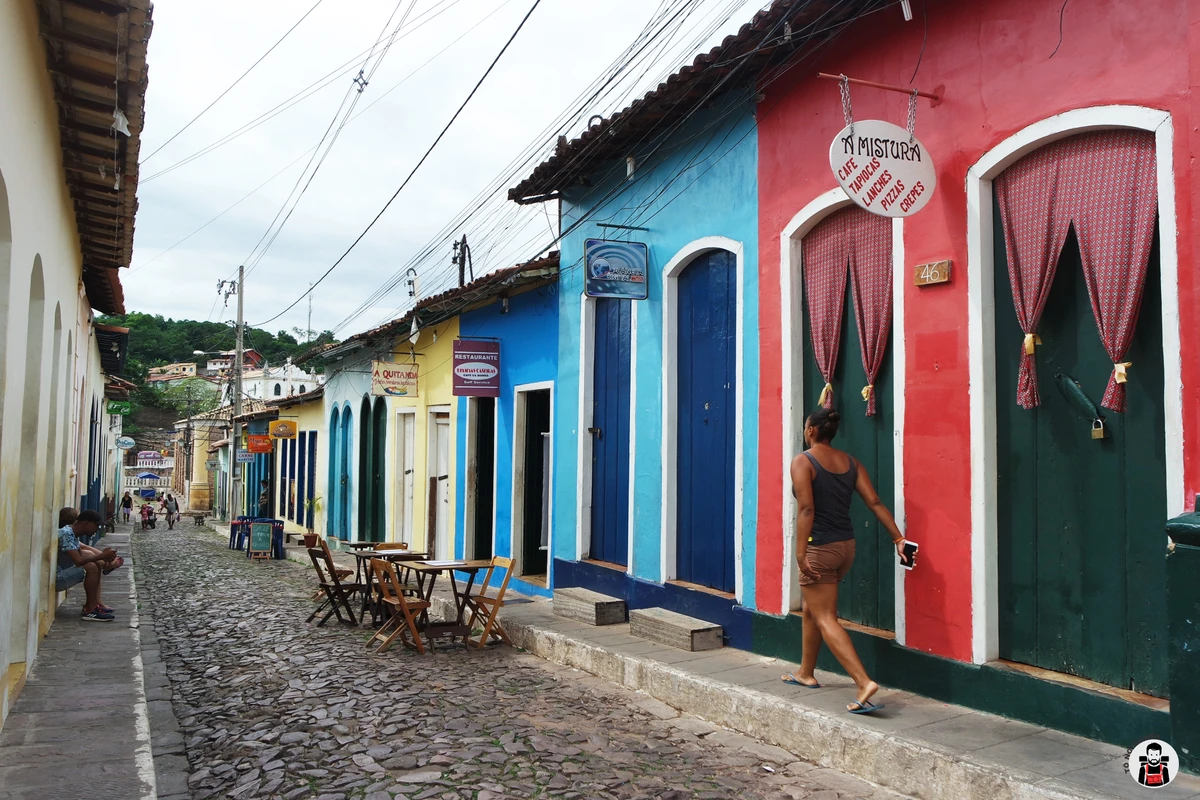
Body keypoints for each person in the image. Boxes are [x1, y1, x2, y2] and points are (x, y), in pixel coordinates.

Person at [780, 408, 907, 715]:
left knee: (825, 616)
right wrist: (898, 539)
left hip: (819, 549)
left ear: (811, 430)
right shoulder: (851, 462)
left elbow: (807, 510)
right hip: (845, 548)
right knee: (813, 608)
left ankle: (863, 683)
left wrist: (800, 553)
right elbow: (874, 502)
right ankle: (806, 673)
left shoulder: (803, 461)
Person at [56, 509, 123, 621]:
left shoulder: (71, 533)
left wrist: (103, 558)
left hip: (63, 570)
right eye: (96, 526)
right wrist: (101, 556)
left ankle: (93, 605)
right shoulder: (66, 533)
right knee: (91, 566)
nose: (97, 530)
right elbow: (78, 560)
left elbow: (83, 553)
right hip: (58, 577)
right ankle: (90, 610)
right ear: (86, 523)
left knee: (94, 563)